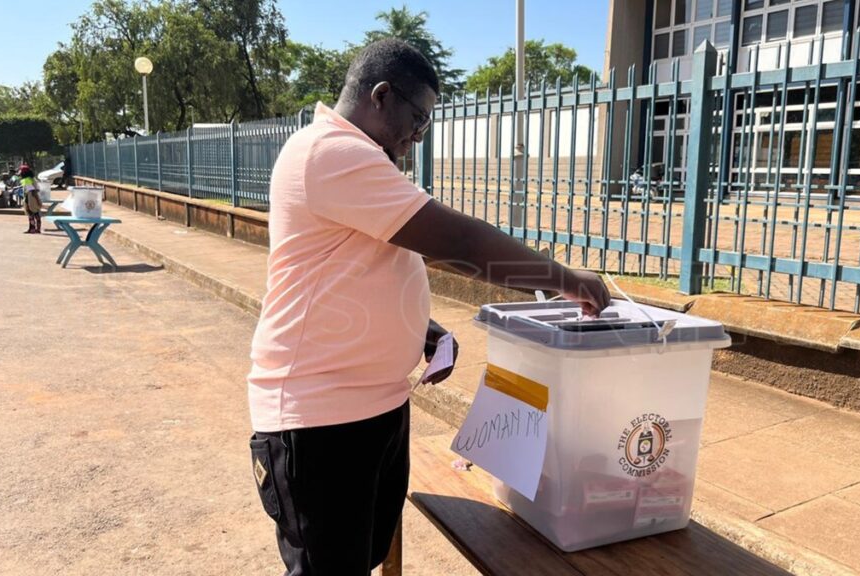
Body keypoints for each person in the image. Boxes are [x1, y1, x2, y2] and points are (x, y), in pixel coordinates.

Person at [247, 39, 611, 576]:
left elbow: (351, 265)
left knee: (362, 557)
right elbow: (458, 244)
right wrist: (563, 280)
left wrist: (420, 328)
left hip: (372, 410)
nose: (419, 135)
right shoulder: (332, 152)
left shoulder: (355, 157)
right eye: (418, 118)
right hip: (320, 422)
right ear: (381, 95)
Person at [20, 166, 41, 234]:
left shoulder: (26, 180)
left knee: (30, 213)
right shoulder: (33, 179)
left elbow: (31, 190)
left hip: (30, 197)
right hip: (34, 196)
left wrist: (36, 200)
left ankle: (32, 229)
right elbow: (37, 189)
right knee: (36, 213)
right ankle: (38, 229)